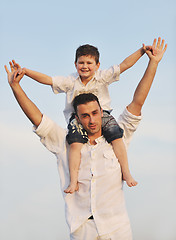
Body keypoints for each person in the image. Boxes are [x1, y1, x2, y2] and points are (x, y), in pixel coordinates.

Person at [5, 37, 167, 240]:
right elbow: (38, 118)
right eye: (85, 115)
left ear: (101, 111)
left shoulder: (117, 136)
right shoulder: (66, 142)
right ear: (77, 117)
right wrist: (17, 86)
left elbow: (138, 101)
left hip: (117, 229)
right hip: (82, 230)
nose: (91, 120)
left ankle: (127, 172)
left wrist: (152, 61)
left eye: (95, 113)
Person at [12, 42, 153, 192]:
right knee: (75, 144)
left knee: (116, 135)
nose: (85, 66)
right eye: (81, 63)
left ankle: (126, 172)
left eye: (89, 63)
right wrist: (26, 72)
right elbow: (48, 80)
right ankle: (74, 181)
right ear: (75, 64)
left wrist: (142, 51)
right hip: (76, 118)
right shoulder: (70, 81)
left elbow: (124, 65)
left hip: (103, 114)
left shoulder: (102, 77)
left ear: (97, 65)